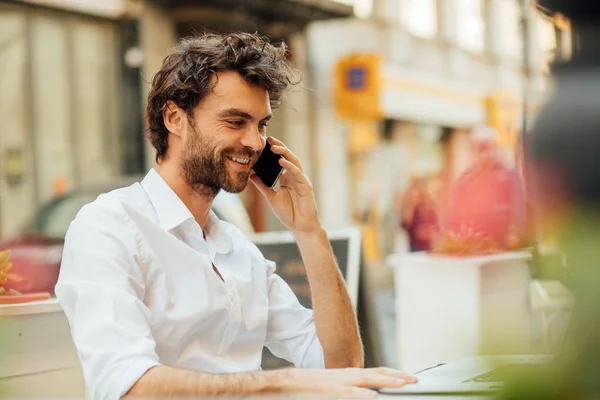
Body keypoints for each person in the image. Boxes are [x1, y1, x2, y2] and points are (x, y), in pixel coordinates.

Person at [55, 33, 415, 400]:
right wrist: (282, 382)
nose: (255, 142)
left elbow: (342, 366)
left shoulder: (238, 250)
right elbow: (129, 386)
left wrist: (309, 231)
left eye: (260, 125)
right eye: (235, 121)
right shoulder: (108, 227)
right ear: (174, 117)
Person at [436, 124, 526, 254]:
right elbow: (455, 209)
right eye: (479, 148)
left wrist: (514, 232)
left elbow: (517, 205)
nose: (484, 153)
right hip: (473, 243)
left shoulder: (507, 175)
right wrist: (451, 232)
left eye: (486, 147)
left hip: (501, 242)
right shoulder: (466, 179)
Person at [400, 178, 439, 252]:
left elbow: (436, 225)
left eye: (417, 195)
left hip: (427, 245)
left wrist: (428, 230)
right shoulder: (409, 208)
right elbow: (404, 225)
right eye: (413, 195)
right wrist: (409, 210)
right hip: (413, 245)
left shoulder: (428, 207)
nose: (415, 197)